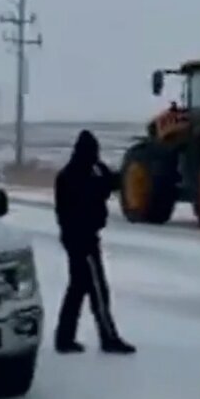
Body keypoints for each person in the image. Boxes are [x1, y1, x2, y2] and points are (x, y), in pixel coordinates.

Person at [53, 130, 135, 354]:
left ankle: (64, 338)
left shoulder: (87, 171)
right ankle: (108, 338)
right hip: (82, 240)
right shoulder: (74, 177)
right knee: (98, 290)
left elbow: (109, 183)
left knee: (78, 288)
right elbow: (86, 201)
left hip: (80, 238)